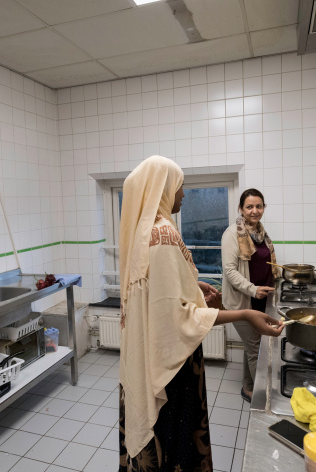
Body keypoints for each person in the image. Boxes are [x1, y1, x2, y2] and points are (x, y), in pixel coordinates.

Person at [118, 156, 284, 471]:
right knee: (175, 445)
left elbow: (158, 293)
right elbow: (176, 317)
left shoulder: (145, 232)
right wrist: (245, 315)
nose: (183, 195)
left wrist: (194, 284)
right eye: (179, 187)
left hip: (146, 355)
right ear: (163, 189)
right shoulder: (163, 235)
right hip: (171, 366)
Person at [221, 188, 280, 403]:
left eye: (259, 206)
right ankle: (262, 399)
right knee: (257, 348)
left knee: (252, 344)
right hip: (242, 302)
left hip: (261, 300)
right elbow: (229, 271)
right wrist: (253, 288)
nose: (254, 211)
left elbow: (266, 263)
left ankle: (248, 387)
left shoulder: (261, 233)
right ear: (241, 208)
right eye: (249, 207)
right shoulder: (231, 234)